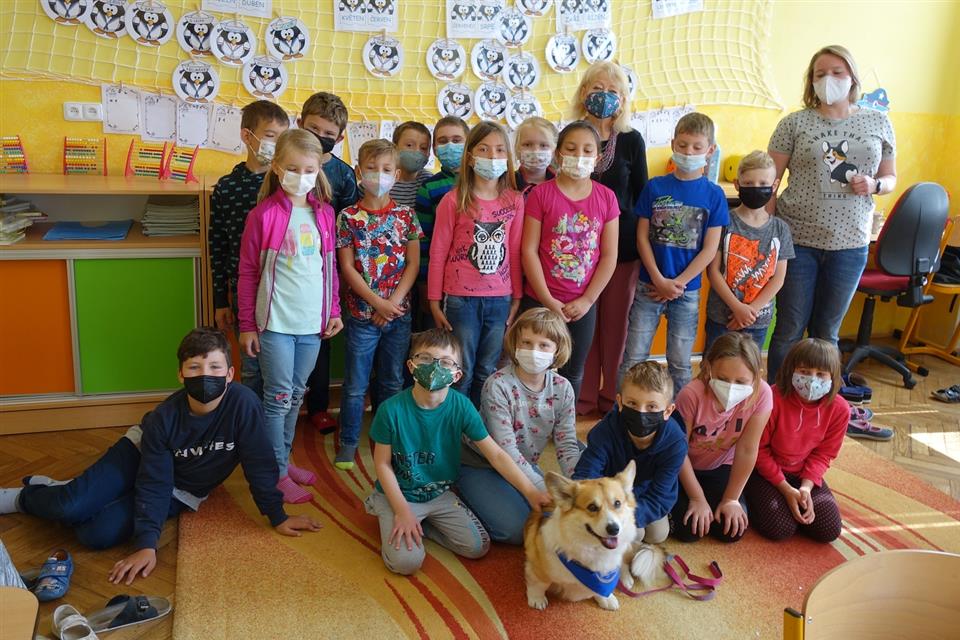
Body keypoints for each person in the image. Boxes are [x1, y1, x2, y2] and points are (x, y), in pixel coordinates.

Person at [0, 328, 320, 585]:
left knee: (93, 534)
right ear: (181, 374)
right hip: (138, 456)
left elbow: (260, 465)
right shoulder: (163, 419)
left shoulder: (244, 405)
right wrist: (147, 545)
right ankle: (26, 497)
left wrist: (277, 516)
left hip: (181, 488)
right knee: (69, 506)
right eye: (194, 367)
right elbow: (154, 481)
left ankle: (78, 489)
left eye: (214, 367)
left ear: (230, 373)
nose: (205, 375)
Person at [364, 329, 551, 575]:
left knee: (477, 547)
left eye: (445, 362)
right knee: (406, 564)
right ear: (411, 366)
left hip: (438, 493)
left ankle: (423, 526)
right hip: (399, 495)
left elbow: (496, 455)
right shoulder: (390, 410)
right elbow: (382, 464)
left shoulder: (461, 406)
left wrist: (530, 491)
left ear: (457, 375)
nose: (435, 367)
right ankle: (385, 509)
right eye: (425, 359)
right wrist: (402, 511)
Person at [766, 44, 897, 382]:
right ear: (811, 81)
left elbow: (890, 178)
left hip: (850, 244)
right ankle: (776, 402)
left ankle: (821, 404)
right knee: (790, 328)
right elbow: (770, 182)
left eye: (837, 72)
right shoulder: (794, 123)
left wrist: (875, 184)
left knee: (827, 333)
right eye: (820, 74)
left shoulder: (878, 122)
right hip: (797, 241)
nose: (828, 79)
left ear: (852, 77)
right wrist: (768, 234)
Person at [238, 129, 343, 504]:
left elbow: (329, 269)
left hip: (311, 326)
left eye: (309, 169)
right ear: (278, 168)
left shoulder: (325, 214)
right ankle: (276, 474)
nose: (301, 176)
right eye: (293, 168)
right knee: (278, 399)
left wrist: (334, 310)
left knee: (296, 396)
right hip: (276, 326)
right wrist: (247, 325)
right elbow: (248, 273)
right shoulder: (263, 215)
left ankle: (283, 462)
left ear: (319, 170)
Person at [620, 112, 728, 395]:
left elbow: (710, 249)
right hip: (649, 286)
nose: (688, 152)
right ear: (673, 144)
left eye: (696, 146)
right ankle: (624, 410)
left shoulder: (714, 195)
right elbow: (642, 237)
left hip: (687, 292)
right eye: (682, 145)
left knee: (680, 362)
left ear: (710, 150)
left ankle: (680, 415)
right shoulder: (655, 187)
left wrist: (677, 283)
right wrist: (658, 279)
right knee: (634, 357)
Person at [335, 139, 423, 470]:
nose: (379, 175)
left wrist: (392, 303)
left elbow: (413, 264)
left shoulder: (406, 216)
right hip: (362, 315)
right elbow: (347, 267)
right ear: (359, 171)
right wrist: (376, 303)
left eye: (386, 169)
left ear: (397, 174)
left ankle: (388, 437)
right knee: (355, 385)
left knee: (391, 381)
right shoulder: (348, 217)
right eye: (371, 168)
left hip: (398, 315)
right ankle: (348, 441)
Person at [458, 307, 578, 545]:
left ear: (557, 350)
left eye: (544, 345)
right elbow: (505, 450)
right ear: (515, 343)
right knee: (516, 530)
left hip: (522, 463)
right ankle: (460, 494)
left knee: (553, 515)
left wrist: (581, 489)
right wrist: (536, 487)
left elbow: (567, 444)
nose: (534, 351)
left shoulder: (563, 387)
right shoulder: (497, 385)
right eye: (527, 342)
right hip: (478, 463)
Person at [571, 62, 650, 416]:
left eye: (613, 91)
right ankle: (583, 397)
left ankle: (610, 398)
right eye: (597, 88)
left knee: (616, 327)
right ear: (583, 92)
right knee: (584, 324)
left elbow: (642, 196)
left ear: (623, 99)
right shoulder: (572, 135)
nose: (604, 96)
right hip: (578, 250)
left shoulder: (631, 140)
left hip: (623, 249)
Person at [521, 120, 619, 400]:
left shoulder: (606, 198)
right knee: (532, 369)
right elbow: (529, 250)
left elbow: (609, 256)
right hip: (540, 301)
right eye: (571, 148)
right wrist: (547, 299)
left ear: (597, 158)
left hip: (582, 307)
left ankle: (564, 425)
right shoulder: (541, 194)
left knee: (573, 372)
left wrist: (587, 300)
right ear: (558, 154)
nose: (579, 155)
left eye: (587, 150)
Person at [428, 121, 524, 405]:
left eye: (499, 150)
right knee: (462, 370)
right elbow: (438, 252)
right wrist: (434, 301)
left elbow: (514, 251)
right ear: (470, 156)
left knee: (487, 369)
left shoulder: (515, 201)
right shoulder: (453, 200)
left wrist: (517, 297)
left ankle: (479, 425)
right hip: (461, 300)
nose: (492, 156)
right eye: (484, 149)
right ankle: (457, 423)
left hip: (500, 299)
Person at [209, 100, 290, 397]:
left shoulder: (288, 185)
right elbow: (218, 245)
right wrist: (221, 300)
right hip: (246, 290)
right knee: (252, 364)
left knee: (281, 366)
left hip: (285, 289)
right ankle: (251, 417)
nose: (277, 144)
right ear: (247, 136)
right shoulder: (227, 187)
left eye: (282, 137)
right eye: (270, 135)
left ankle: (277, 416)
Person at [671, 332, 772, 543]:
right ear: (709, 369)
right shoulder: (691, 395)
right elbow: (677, 451)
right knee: (688, 530)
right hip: (684, 467)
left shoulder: (763, 394)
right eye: (723, 379)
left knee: (730, 530)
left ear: (757, 377)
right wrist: (697, 498)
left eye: (741, 381)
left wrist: (731, 499)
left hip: (721, 466)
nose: (732, 387)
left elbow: (747, 449)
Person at [573, 361, 687, 545]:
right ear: (620, 402)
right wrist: (607, 515)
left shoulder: (675, 443)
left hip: (647, 492)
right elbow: (586, 476)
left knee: (657, 535)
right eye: (632, 403)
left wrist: (626, 519)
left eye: (651, 407)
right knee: (635, 535)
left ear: (667, 411)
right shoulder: (604, 431)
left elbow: (660, 495)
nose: (640, 412)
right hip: (609, 494)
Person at [298, 92, 359, 433]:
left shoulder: (343, 175)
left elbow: (349, 227)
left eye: (328, 133)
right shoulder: (286, 165)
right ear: (299, 124)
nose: (320, 137)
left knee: (322, 339)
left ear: (340, 137)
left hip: (326, 271)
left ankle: (318, 406)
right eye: (313, 129)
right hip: (290, 265)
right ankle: (285, 404)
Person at [746, 339, 847, 542]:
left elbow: (824, 454)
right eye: (804, 371)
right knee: (780, 529)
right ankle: (751, 498)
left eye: (821, 374)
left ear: (833, 377)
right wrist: (784, 488)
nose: (812, 380)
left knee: (829, 529)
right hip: (764, 472)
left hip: (803, 475)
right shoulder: (772, 398)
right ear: (791, 370)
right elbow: (759, 450)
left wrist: (806, 488)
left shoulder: (839, 409)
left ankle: (792, 507)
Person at [705, 150, 794, 351]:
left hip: (758, 320)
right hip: (722, 316)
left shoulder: (780, 229)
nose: (756, 188)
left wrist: (750, 311)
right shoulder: (724, 222)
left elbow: (778, 278)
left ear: (774, 185)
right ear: (737, 184)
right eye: (749, 183)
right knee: (713, 364)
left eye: (763, 184)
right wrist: (737, 308)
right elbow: (713, 271)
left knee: (749, 367)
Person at [414, 116, 470, 326]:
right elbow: (423, 241)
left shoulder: (485, 183)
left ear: (469, 143)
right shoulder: (429, 187)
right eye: (443, 141)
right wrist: (424, 284)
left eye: (457, 140)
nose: (450, 146)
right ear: (435, 150)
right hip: (440, 281)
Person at [390, 121, 434, 208]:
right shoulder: (381, 179)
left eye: (423, 148)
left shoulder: (430, 182)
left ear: (429, 153)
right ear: (394, 147)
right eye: (409, 145)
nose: (417, 151)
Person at [513, 116, 557, 196]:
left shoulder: (561, 184)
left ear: (554, 151)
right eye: (527, 144)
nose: (535, 151)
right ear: (517, 149)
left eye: (543, 145)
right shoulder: (507, 183)